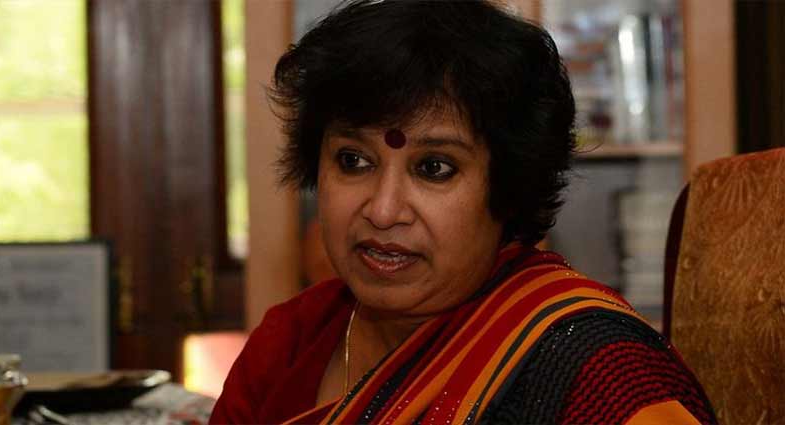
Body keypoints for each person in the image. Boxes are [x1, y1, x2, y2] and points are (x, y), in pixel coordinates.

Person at [210, 1, 716, 424]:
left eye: (434, 168)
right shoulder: (291, 341)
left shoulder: (595, 369)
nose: (383, 211)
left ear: (509, 188)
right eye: (353, 161)